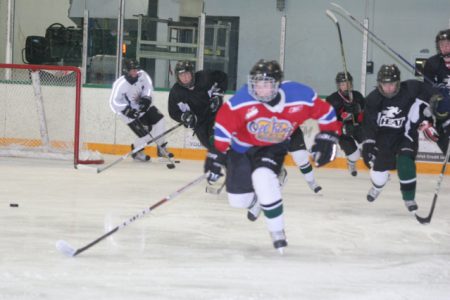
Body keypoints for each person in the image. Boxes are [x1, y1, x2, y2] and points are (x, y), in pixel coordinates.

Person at [209, 59, 341, 253]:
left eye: (265, 84)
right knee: (238, 201)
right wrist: (217, 154)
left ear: (277, 84)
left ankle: (277, 231)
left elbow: (326, 112)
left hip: (273, 147)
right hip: (242, 148)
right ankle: (258, 200)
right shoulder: (242, 100)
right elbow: (223, 125)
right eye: (257, 84)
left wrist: (329, 136)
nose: (259, 89)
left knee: (262, 177)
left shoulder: (299, 95)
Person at [362, 64, 436, 213]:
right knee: (378, 174)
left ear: (398, 82)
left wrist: (436, 101)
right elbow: (369, 124)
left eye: (392, 84)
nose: (389, 88)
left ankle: (409, 198)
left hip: (405, 134)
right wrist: (368, 142)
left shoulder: (410, 88)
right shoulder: (373, 99)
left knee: (405, 162)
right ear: (379, 84)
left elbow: (432, 92)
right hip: (383, 138)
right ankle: (378, 186)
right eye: (385, 84)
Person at [168, 60, 228, 183]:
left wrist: (218, 94)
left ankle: (227, 169)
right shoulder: (176, 92)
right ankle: (227, 166)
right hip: (199, 124)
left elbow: (223, 77)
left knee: (216, 141)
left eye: (187, 74)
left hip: (214, 116)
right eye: (181, 75)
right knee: (210, 146)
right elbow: (173, 112)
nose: (184, 77)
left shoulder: (205, 77)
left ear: (192, 73)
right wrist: (184, 117)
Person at [109, 58, 173, 161]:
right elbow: (113, 103)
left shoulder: (143, 75)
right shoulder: (120, 84)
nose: (136, 72)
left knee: (161, 122)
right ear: (126, 71)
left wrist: (146, 98)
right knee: (145, 135)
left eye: (136, 69)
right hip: (128, 113)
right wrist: (126, 110)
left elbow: (148, 88)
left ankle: (161, 148)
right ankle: (136, 151)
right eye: (132, 70)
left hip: (144, 107)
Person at [326, 72, 365, 176]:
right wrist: (341, 126)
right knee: (355, 155)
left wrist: (358, 110)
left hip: (357, 127)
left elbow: (365, 115)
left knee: (369, 146)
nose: (346, 86)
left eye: (348, 83)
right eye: (343, 84)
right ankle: (351, 162)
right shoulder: (332, 100)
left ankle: (379, 169)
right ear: (339, 86)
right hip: (342, 132)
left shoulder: (357, 96)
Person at [422, 29, 450, 155]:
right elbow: (426, 90)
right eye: (442, 44)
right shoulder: (432, 63)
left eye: (448, 43)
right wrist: (427, 120)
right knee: (444, 142)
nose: (445, 47)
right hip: (442, 111)